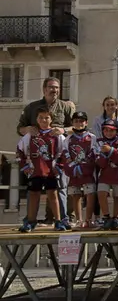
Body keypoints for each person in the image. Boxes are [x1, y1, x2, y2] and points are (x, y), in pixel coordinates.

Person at [17, 77, 75, 224]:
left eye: (56, 87)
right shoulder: (32, 107)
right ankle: (30, 220)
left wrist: (63, 129)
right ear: (44, 89)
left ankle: (61, 219)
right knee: (34, 190)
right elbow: (20, 129)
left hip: (57, 155)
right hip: (37, 158)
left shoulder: (66, 107)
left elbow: (77, 128)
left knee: (60, 188)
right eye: (51, 87)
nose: (54, 90)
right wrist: (27, 129)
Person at [17, 107, 67, 232]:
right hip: (35, 170)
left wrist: (59, 166)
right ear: (36, 119)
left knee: (53, 194)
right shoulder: (30, 135)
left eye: (46, 117)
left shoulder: (57, 136)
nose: (44, 120)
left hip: (51, 170)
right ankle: (31, 221)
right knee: (33, 195)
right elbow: (20, 150)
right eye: (41, 118)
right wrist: (25, 166)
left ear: (51, 119)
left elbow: (64, 152)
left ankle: (58, 221)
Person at [61, 112, 97, 229]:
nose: (79, 123)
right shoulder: (68, 139)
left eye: (81, 121)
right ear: (72, 123)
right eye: (76, 121)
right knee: (75, 194)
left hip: (87, 170)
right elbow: (65, 154)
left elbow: (93, 153)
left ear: (86, 122)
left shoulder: (91, 138)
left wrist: (84, 166)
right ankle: (78, 220)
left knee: (90, 193)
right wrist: (72, 166)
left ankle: (88, 219)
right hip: (73, 170)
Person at [93, 119, 118, 231]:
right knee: (101, 193)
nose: (109, 133)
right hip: (104, 173)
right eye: (106, 130)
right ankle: (106, 216)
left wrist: (110, 151)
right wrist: (107, 155)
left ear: (116, 131)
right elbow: (98, 160)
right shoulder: (99, 142)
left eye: (112, 130)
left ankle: (116, 217)